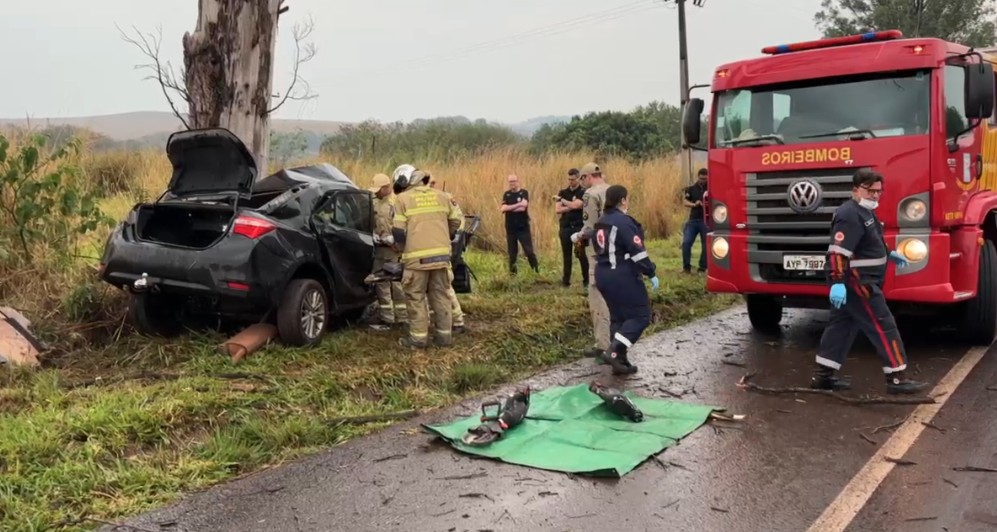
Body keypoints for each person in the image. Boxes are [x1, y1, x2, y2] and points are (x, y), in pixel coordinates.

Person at [811, 168, 928, 395]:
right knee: (883, 324)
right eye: (870, 190)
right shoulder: (849, 214)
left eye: (878, 191)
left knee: (841, 326)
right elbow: (837, 252)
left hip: (860, 280)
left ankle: (823, 377)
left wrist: (888, 253)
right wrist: (837, 281)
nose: (875, 195)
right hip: (858, 281)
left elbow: (869, 241)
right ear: (856, 189)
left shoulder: (864, 212)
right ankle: (896, 378)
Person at [392, 169, 463, 348]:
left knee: (415, 298)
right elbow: (456, 222)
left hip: (416, 261)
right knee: (441, 297)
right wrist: (443, 235)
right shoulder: (443, 196)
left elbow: (398, 232)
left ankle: (418, 340)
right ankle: (444, 338)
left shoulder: (402, 199)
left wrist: (401, 249)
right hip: (440, 257)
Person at [593, 184, 659, 375]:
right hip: (621, 275)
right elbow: (637, 252)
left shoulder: (601, 221)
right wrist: (651, 272)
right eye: (627, 198)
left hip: (602, 274)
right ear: (622, 200)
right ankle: (614, 352)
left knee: (619, 317)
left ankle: (620, 361)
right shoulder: (623, 222)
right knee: (641, 316)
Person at [571, 162, 612, 358]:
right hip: (618, 251)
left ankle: (603, 344)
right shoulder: (615, 191)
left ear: (587, 176)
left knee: (597, 296)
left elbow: (590, 227)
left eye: (582, 179)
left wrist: (578, 236)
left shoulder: (590, 195)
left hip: (598, 251)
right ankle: (620, 341)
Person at [369, 173, 408, 328]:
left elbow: (403, 225)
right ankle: (387, 318)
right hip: (379, 249)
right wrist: (373, 235)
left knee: (397, 284)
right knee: (381, 283)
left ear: (387, 187)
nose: (377, 192)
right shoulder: (373, 202)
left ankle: (402, 318)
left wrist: (395, 240)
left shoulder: (397, 202)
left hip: (395, 249)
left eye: (379, 189)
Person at [428, 177, 467, 333]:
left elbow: (457, 223)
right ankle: (443, 318)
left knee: (445, 286)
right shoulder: (435, 199)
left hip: (442, 248)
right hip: (436, 247)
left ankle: (457, 321)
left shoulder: (444, 199)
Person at [500, 174, 539, 274]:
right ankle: (513, 274)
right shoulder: (506, 194)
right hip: (510, 228)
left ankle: (536, 271)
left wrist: (510, 207)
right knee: (512, 254)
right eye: (510, 182)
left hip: (523, 227)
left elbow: (523, 207)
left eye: (513, 181)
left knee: (529, 251)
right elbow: (503, 208)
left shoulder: (523, 192)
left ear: (518, 181)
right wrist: (517, 205)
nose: (512, 183)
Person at [555, 168, 587, 287]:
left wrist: (563, 201)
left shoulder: (583, 192)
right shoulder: (563, 192)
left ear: (578, 179)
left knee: (581, 254)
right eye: (569, 179)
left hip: (578, 228)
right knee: (566, 255)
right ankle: (565, 281)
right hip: (565, 227)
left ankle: (586, 280)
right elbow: (558, 209)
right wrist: (572, 206)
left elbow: (578, 205)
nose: (570, 182)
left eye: (573, 179)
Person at [681, 168, 709, 273]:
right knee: (686, 243)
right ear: (698, 177)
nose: (703, 181)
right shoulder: (691, 189)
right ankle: (686, 267)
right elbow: (684, 202)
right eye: (701, 178)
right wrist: (694, 204)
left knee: (706, 244)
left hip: (706, 220)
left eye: (705, 179)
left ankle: (702, 268)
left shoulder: (711, 188)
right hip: (693, 220)